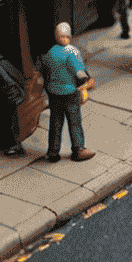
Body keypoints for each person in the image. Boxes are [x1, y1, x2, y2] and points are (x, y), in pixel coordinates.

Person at [38, 23, 94, 163]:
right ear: (69, 36)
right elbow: (79, 73)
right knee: (74, 121)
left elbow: (44, 71)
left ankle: (53, 152)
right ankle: (78, 150)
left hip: (54, 93)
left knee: (55, 122)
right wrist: (87, 82)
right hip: (70, 93)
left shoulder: (50, 52)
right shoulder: (72, 52)